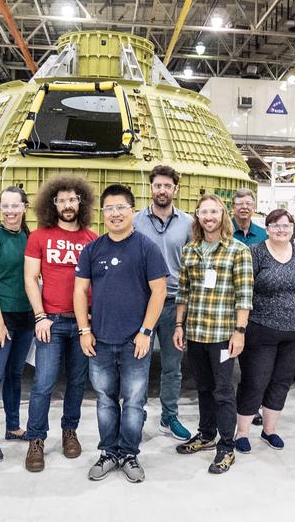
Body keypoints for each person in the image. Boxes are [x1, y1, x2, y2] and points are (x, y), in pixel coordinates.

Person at [75, 184, 168, 483]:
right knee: (104, 400)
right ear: (103, 214)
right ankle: (108, 453)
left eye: (121, 208)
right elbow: (79, 291)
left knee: (134, 402)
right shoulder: (92, 249)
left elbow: (159, 291)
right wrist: (84, 330)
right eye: (109, 209)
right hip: (99, 341)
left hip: (134, 343)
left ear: (132, 211)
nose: (115, 214)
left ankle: (129, 453)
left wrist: (145, 332)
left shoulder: (146, 248)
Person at [174, 194, 254, 474]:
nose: (208, 217)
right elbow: (183, 292)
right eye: (203, 212)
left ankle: (227, 446)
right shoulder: (190, 251)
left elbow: (244, 296)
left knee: (223, 391)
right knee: (203, 388)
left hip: (222, 335)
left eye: (213, 211)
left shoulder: (237, 250)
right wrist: (179, 325)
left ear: (223, 215)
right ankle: (206, 434)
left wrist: (240, 331)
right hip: (196, 333)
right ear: (197, 216)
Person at [22, 174, 97, 473]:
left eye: (72, 199)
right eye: (61, 200)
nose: (67, 205)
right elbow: (30, 278)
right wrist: (40, 315)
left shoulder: (92, 238)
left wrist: (91, 320)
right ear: (52, 203)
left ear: (81, 202)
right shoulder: (39, 236)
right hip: (50, 322)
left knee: (78, 382)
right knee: (43, 383)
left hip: (81, 323)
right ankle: (36, 439)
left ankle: (70, 431)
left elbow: (98, 282)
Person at [235, 208, 295, 452]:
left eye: (286, 225)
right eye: (275, 225)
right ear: (267, 228)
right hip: (262, 330)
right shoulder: (256, 253)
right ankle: (242, 432)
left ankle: (269, 431)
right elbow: (244, 288)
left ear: (293, 228)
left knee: (281, 381)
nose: (281, 229)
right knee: (255, 381)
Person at [132, 164, 195, 441]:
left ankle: (169, 417)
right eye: (157, 185)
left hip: (174, 304)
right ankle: (136, 414)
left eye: (167, 186)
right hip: (142, 302)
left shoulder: (188, 223)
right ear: (151, 188)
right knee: (138, 363)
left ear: (175, 189)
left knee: (172, 365)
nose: (162, 190)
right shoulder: (135, 221)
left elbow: (194, 262)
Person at [0, 185, 33, 461]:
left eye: (16, 205)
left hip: (26, 317)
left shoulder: (30, 237)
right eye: (6, 206)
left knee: (15, 375)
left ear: (25, 207)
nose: (10, 211)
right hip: (0, 317)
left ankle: (13, 426)